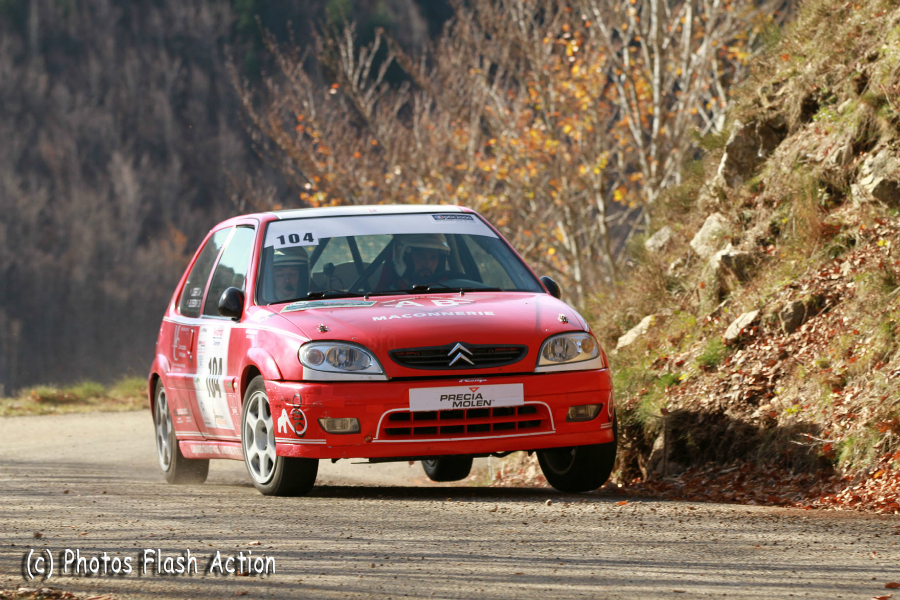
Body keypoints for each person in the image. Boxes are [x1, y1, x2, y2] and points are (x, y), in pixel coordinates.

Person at [376, 233, 452, 291]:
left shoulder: (450, 289)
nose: (428, 264)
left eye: (433, 257)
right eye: (420, 256)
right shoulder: (386, 296)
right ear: (404, 258)